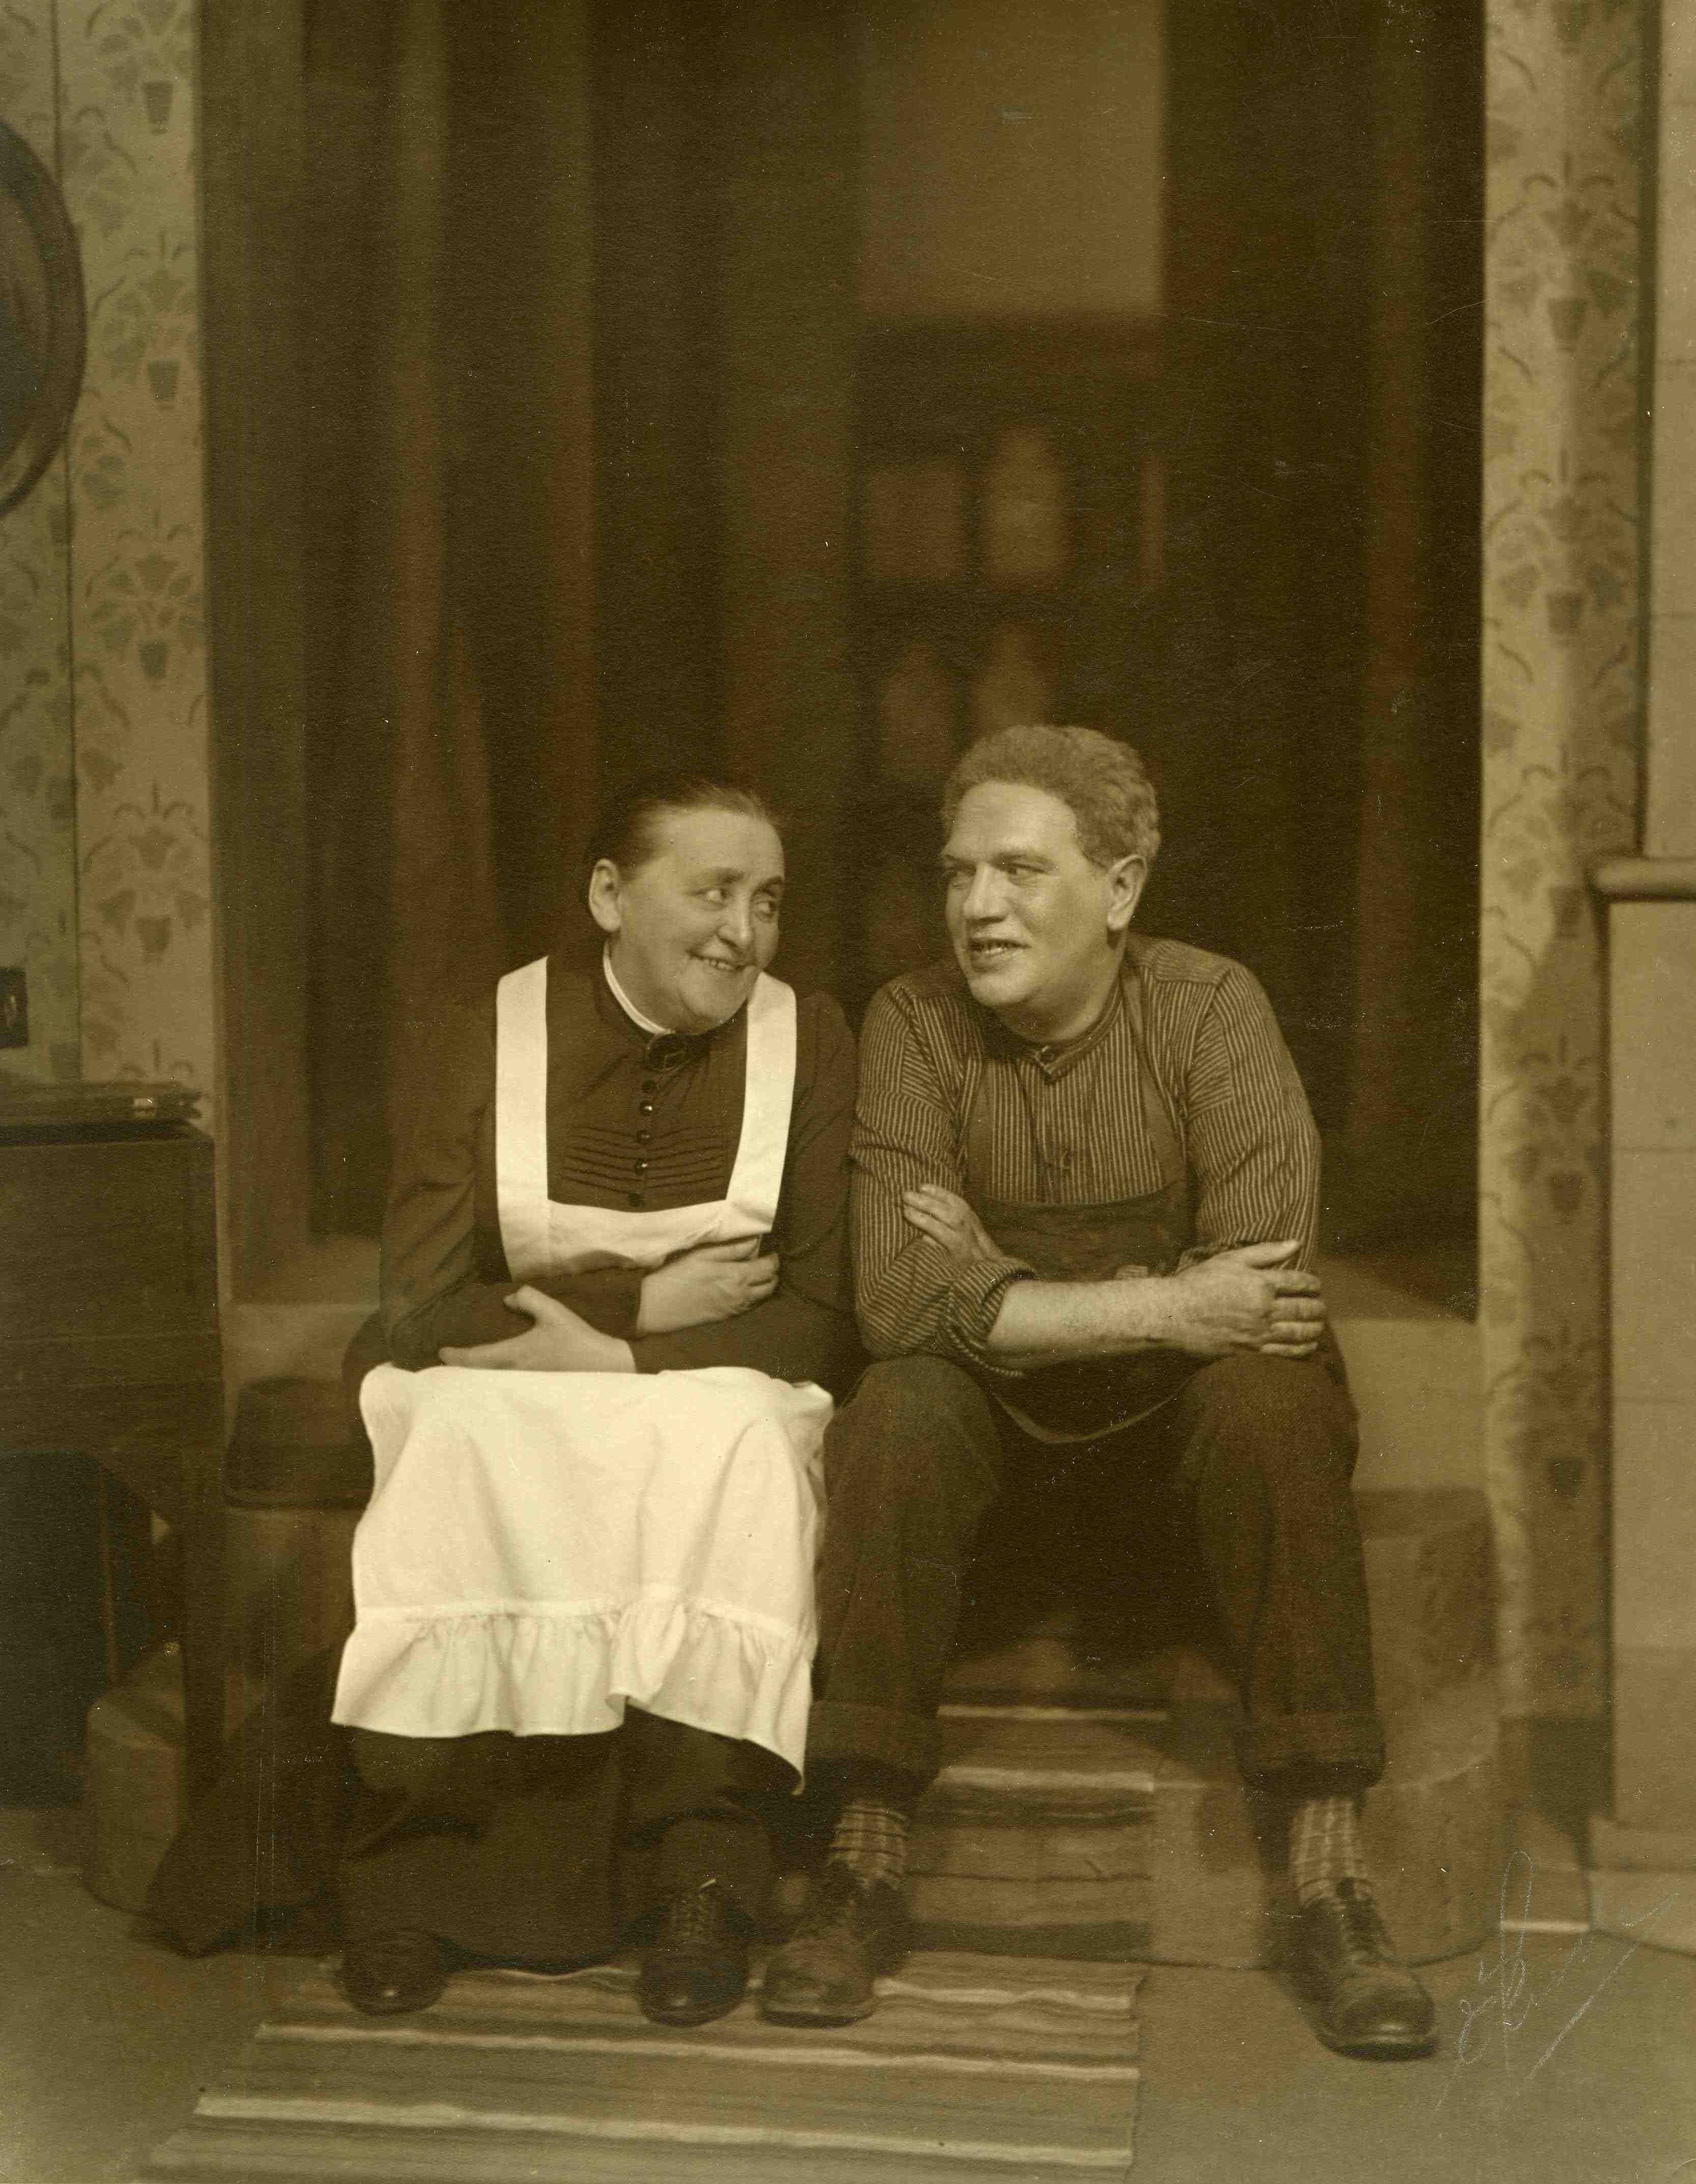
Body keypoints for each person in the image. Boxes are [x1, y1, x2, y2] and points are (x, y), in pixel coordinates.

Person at [760, 724, 1436, 2061]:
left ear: (1120, 888)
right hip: (997, 1487)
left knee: (1267, 1394)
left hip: (1178, 1479)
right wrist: (1166, 1300)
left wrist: (995, 1280)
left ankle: (1328, 1874)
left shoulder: (1211, 1009)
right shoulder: (911, 1022)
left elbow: (1261, 1288)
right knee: (898, 1403)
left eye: (1019, 870)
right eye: (958, 873)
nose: (977, 906)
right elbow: (897, 1303)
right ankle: (865, 1851)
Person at [324, 774, 858, 2027]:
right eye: (712, 891)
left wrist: (616, 1360)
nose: (742, 931)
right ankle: (410, 1885)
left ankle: (700, 1883)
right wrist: (641, 1304)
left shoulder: (810, 1034)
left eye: (767, 900)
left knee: (736, 1439)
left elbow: (823, 1314)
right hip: (518, 1383)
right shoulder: (492, 1026)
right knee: (449, 1431)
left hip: (703, 1389)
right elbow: (412, 1306)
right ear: (610, 895)